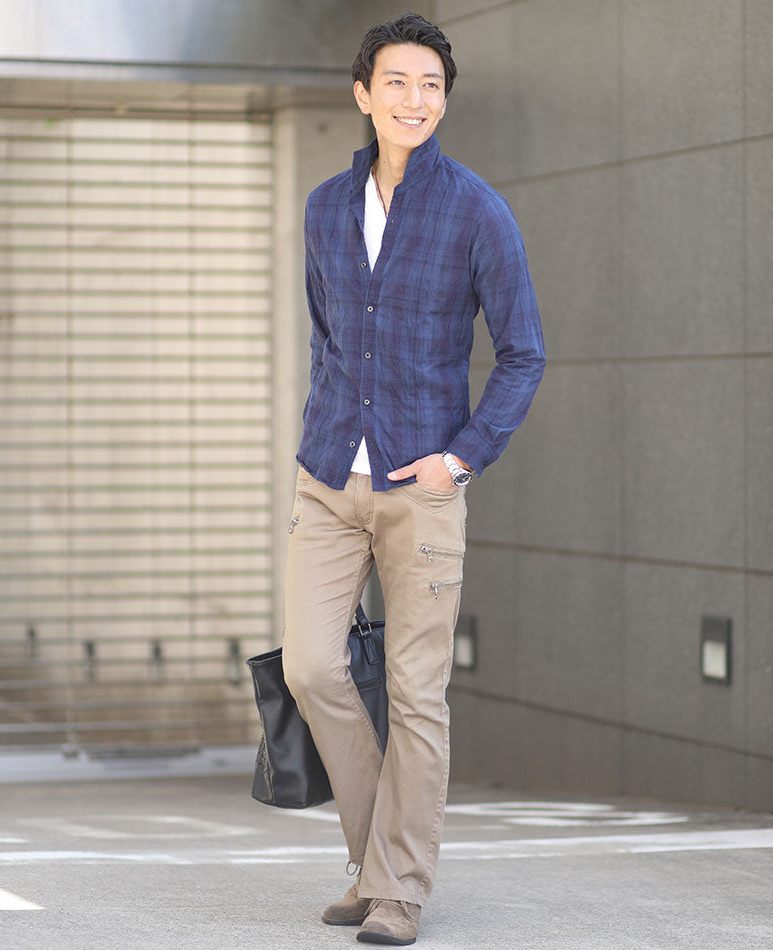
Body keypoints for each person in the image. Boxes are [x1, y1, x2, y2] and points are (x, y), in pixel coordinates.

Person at [282, 12, 545, 946]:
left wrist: (460, 457)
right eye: (396, 81)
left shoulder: (477, 210)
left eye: (430, 85)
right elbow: (329, 336)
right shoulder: (324, 207)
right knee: (312, 667)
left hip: (422, 488)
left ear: (444, 100)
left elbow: (523, 353)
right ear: (363, 94)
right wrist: (323, 434)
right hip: (328, 479)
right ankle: (376, 860)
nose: (414, 99)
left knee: (415, 693)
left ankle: (396, 890)